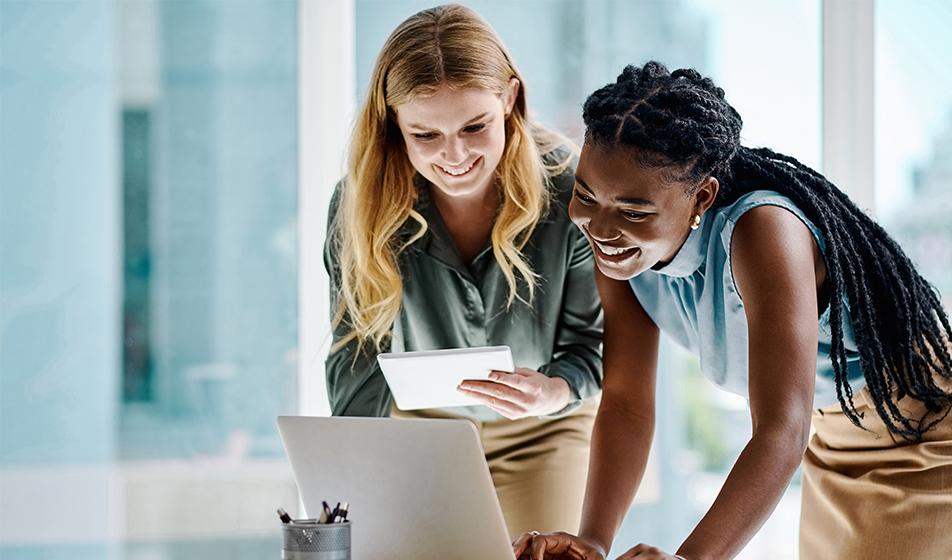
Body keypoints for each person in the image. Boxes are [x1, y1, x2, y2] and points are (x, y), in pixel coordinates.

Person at [514, 61, 952, 560]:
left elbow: (781, 429)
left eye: (635, 211)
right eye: (586, 195)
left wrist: (689, 558)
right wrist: (591, 539)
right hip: (829, 433)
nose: (602, 226)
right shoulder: (619, 253)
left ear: (702, 195)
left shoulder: (763, 230)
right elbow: (627, 402)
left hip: (919, 433)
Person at [323, 4, 603, 538]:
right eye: (425, 135)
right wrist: (349, 478)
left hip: (545, 427)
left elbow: (592, 345)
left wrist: (554, 390)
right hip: (421, 430)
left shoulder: (571, 190)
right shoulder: (358, 206)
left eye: (476, 125)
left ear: (511, 100)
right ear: (394, 127)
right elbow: (355, 355)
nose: (454, 155)